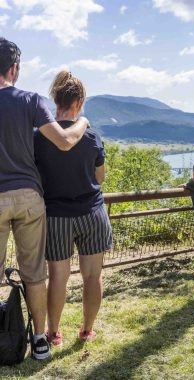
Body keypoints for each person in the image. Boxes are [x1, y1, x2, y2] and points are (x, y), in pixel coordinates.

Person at [0, 38, 89, 360]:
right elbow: (65, 141)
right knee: (33, 272)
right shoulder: (29, 100)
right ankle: (39, 339)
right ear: (15, 69)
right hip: (28, 197)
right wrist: (83, 121)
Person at [34, 71, 112, 347]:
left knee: (57, 277)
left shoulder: (40, 136)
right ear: (79, 101)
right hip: (92, 212)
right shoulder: (92, 137)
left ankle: (54, 332)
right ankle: (87, 330)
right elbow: (100, 178)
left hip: (56, 216)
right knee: (93, 275)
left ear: (55, 100)